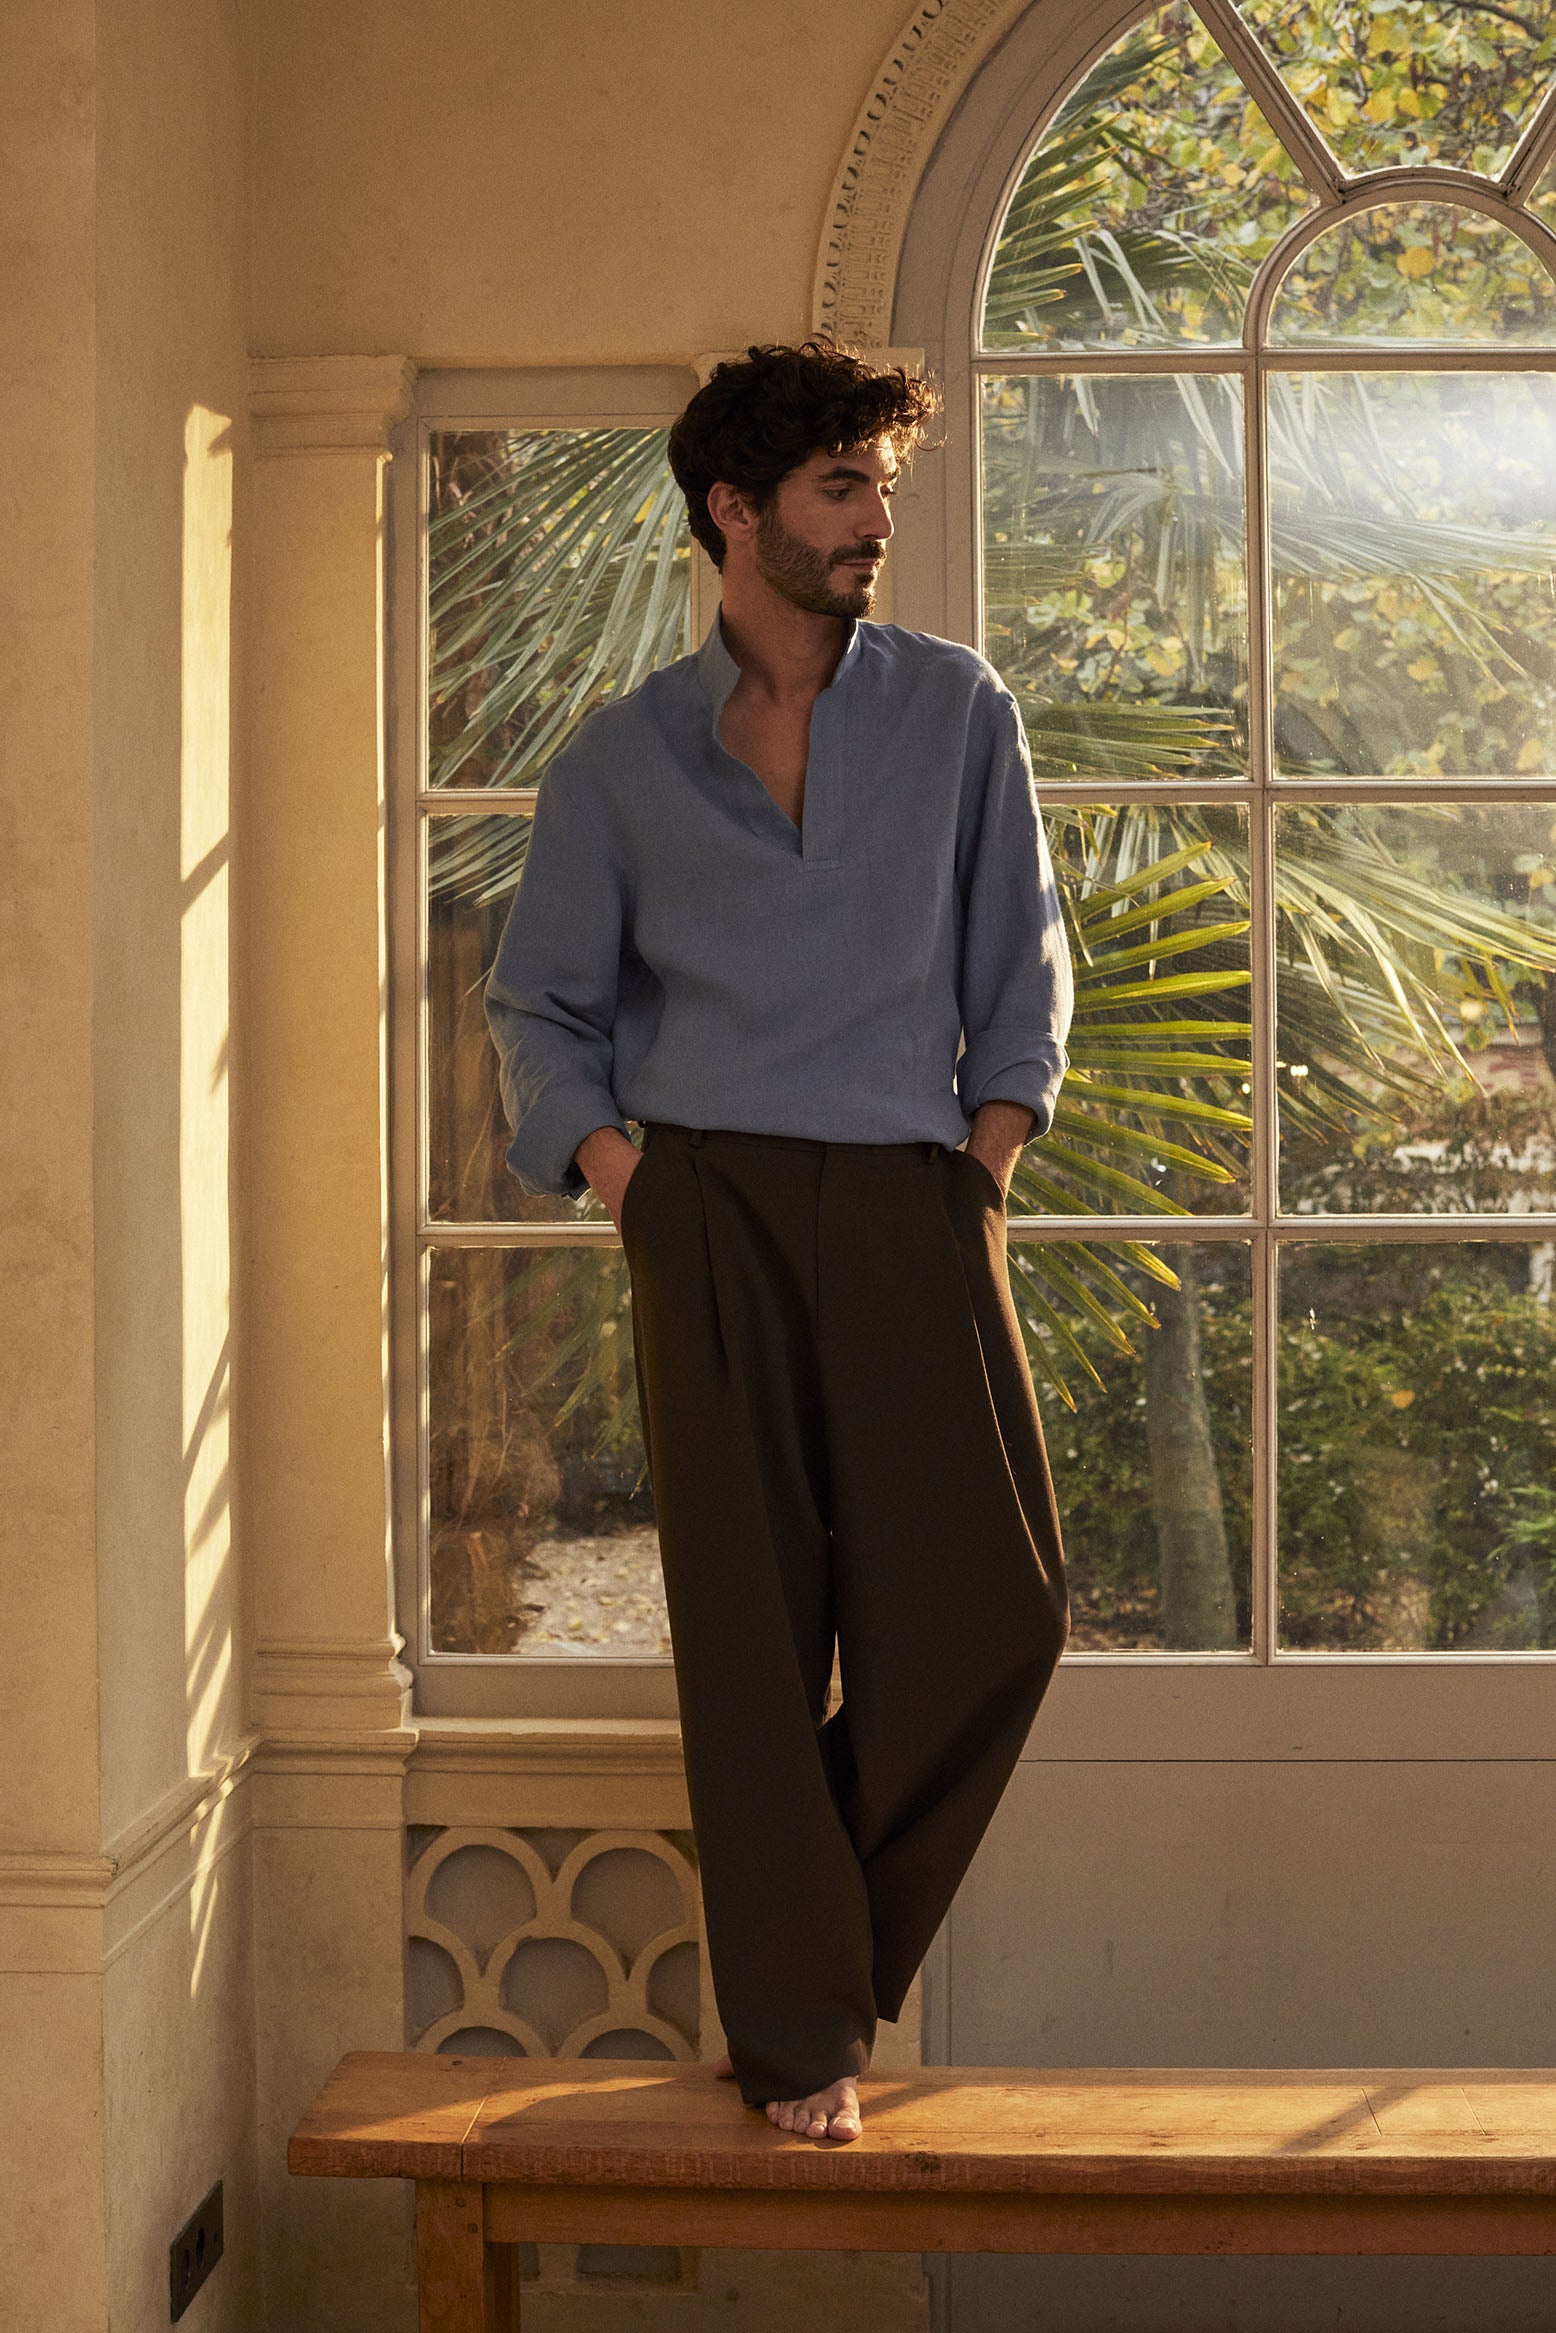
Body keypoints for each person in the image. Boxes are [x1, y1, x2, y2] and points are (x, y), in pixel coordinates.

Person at [485, 341, 1072, 2143]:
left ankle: (801, 1950)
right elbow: (542, 1006)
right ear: (735, 512)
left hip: (911, 1194)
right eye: (842, 488)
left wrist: (982, 1159)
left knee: (997, 1615)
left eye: (882, 485)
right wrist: (634, 1188)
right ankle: (801, 2042)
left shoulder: (957, 709)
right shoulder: (621, 763)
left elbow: (1023, 958)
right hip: (709, 1210)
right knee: (751, 1636)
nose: (877, 520)